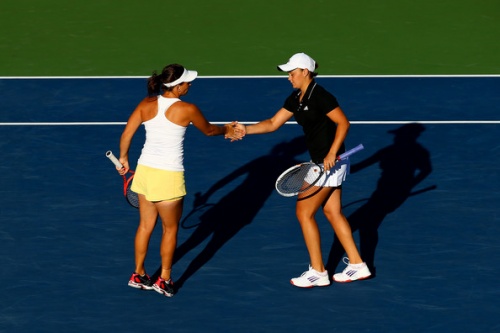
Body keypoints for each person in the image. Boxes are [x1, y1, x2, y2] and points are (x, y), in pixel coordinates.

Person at [233, 53, 371, 287]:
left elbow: (343, 123)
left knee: (304, 213)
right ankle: (358, 265)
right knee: (332, 213)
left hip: (329, 163)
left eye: (292, 72)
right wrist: (245, 129)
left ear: (305, 72)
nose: (289, 77)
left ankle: (318, 271)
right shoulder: (296, 98)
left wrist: (330, 153)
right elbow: (273, 123)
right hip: (325, 162)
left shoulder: (321, 96)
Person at [116, 63, 238, 297]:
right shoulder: (188, 109)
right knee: (169, 230)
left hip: (144, 173)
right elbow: (210, 131)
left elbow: (126, 134)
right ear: (177, 86)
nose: (189, 85)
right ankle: (164, 279)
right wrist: (228, 130)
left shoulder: (146, 104)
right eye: (186, 82)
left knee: (144, 226)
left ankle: (138, 274)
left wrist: (123, 158)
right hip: (168, 177)